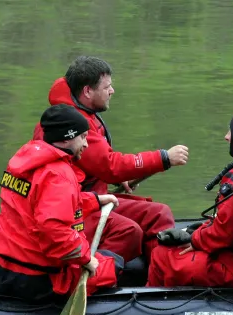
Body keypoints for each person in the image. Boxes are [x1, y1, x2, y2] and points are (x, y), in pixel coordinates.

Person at [33, 56, 190, 263]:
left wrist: (112, 179)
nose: (112, 91)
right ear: (88, 91)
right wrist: (164, 158)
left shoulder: (80, 112)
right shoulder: (71, 124)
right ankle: (98, 275)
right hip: (76, 206)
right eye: (107, 86)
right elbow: (110, 165)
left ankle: (163, 272)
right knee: (130, 232)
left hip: (95, 197)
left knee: (159, 213)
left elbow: (95, 164)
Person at [0, 104, 123, 302]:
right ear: (68, 137)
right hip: (35, 278)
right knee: (113, 264)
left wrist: (95, 200)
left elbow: (40, 204)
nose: (86, 144)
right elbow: (55, 232)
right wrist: (86, 259)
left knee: (102, 258)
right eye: (83, 137)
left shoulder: (25, 160)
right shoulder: (59, 174)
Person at [146, 108, 233, 288]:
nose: (227, 137)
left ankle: (154, 309)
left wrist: (195, 239)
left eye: (232, 131)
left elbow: (223, 233)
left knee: (160, 255)